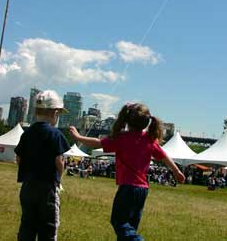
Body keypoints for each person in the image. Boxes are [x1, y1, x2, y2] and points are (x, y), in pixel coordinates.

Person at [70, 102, 185, 241]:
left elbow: (97, 142)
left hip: (128, 188)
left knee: (119, 221)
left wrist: (78, 137)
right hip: (142, 189)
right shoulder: (149, 140)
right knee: (130, 227)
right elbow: (164, 156)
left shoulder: (122, 139)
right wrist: (177, 171)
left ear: (126, 121)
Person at [14, 90, 70, 241]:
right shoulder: (55, 134)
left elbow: (19, 158)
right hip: (48, 187)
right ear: (55, 113)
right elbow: (59, 161)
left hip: (28, 186)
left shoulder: (27, 133)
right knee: (48, 226)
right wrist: (59, 178)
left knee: (27, 223)